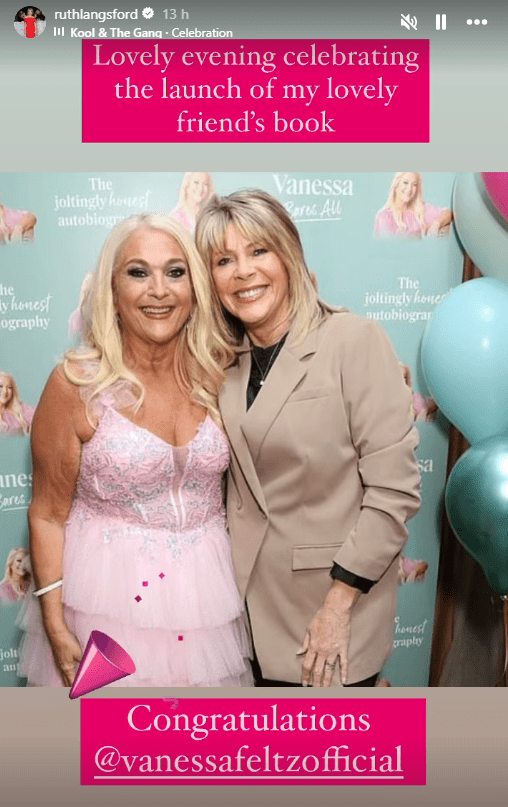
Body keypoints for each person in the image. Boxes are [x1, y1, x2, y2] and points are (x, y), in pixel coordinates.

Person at [195, 189, 421, 687]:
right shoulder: (226, 365)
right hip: (242, 617)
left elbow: (393, 492)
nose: (243, 272)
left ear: (289, 254)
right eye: (224, 260)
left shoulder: (352, 341)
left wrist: (337, 608)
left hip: (327, 611)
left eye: (259, 251)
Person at [17, 213, 252, 688]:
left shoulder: (218, 375)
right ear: (113, 291)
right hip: (107, 609)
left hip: (205, 606)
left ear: (195, 288)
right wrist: (56, 625)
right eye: (138, 272)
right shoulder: (76, 384)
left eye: (175, 272)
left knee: (195, 753)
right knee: (110, 752)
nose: (159, 290)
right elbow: (45, 513)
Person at [374, 172, 453, 238]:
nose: (409, 189)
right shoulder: (384, 216)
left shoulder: (422, 209)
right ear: (396, 186)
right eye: (405, 182)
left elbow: (450, 213)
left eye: (414, 185)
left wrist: (437, 224)